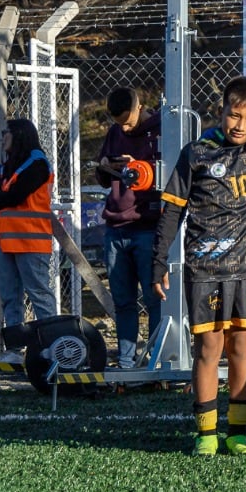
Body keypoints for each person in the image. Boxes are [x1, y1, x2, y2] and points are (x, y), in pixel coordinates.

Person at [151, 78, 246, 457]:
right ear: (220, 110)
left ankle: (238, 433)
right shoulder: (196, 153)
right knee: (209, 347)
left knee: (243, 348)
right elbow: (173, 210)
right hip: (204, 270)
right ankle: (205, 433)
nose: (240, 125)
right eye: (234, 115)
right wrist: (159, 261)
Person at [95, 89, 163, 369]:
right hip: (116, 227)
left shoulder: (160, 129)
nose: (124, 127)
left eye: (128, 121)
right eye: (118, 122)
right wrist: (106, 167)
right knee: (123, 300)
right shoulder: (114, 132)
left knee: (154, 297)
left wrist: (139, 168)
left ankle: (156, 357)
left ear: (140, 107)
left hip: (147, 226)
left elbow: (169, 174)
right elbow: (102, 176)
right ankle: (126, 359)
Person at [0, 119, 56, 339]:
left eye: (6, 133)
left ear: (19, 135)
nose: (2, 138)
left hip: (31, 241)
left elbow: (14, 195)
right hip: (7, 242)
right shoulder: (9, 165)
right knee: (10, 297)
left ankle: (53, 343)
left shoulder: (37, 163)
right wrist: (3, 198)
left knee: (39, 293)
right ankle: (15, 348)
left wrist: (3, 198)